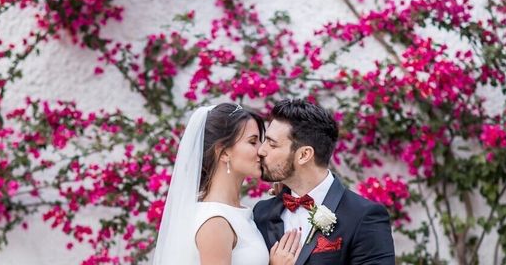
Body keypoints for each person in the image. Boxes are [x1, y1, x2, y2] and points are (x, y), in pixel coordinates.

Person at [153, 102, 302, 265]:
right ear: (224, 153)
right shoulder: (214, 222)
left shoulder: (237, 212)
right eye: (253, 142)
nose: (262, 150)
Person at [254, 98, 395, 265]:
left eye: (272, 144)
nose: (261, 150)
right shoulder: (261, 213)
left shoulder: (363, 216)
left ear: (304, 155)